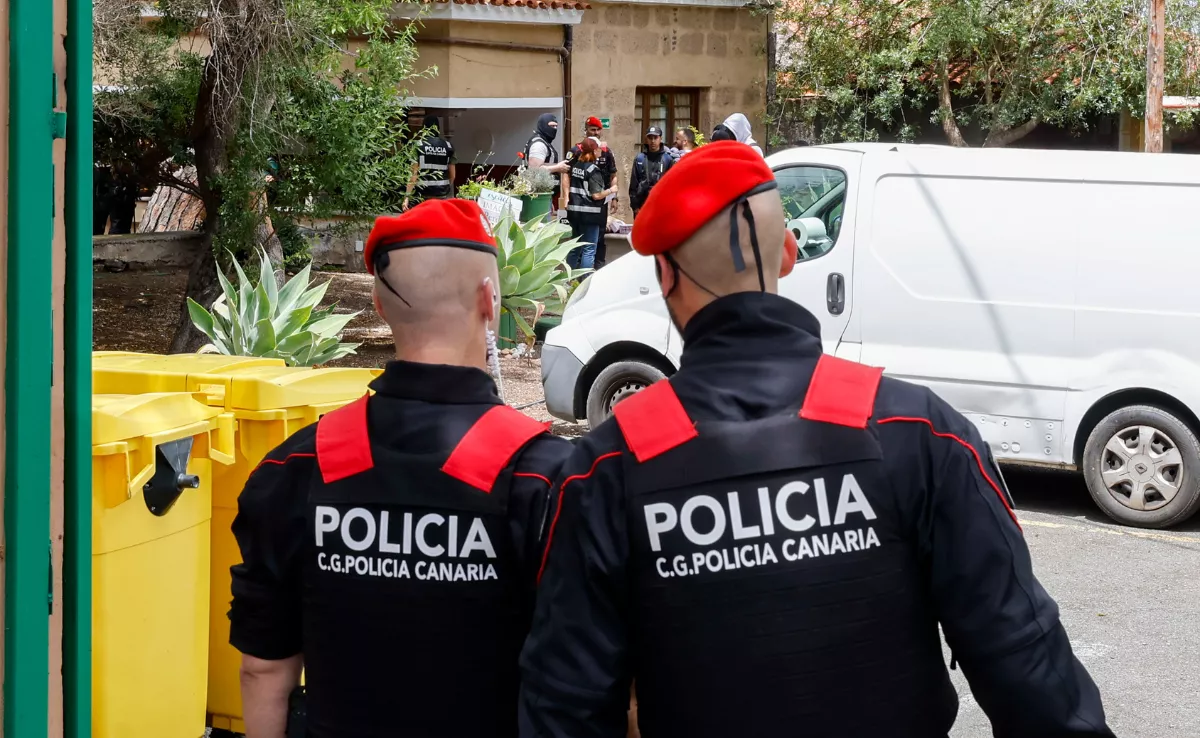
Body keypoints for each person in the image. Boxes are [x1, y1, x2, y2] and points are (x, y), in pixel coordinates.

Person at [519, 142, 1113, 738]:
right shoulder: (918, 430)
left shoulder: (608, 466)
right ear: (789, 253)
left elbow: (566, 705)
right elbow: (1027, 665)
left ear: (665, 274)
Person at [229, 199, 573, 738]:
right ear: (490, 299)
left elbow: (263, 666)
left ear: (379, 305)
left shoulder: (296, 467)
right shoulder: (546, 478)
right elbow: (582, 680)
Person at [562, 118, 619, 267]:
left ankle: (570, 280)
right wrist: (611, 191)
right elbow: (565, 174)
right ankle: (584, 281)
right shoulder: (577, 154)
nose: (595, 132)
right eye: (592, 129)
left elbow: (613, 175)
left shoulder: (604, 153)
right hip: (592, 208)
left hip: (582, 208)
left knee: (578, 245)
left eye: (597, 129)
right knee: (589, 248)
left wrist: (614, 198)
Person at [402, 115, 456, 210]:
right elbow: (453, 175)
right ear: (438, 129)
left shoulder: (418, 145)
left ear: (424, 128)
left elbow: (413, 175)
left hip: (422, 195)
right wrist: (445, 188)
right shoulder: (449, 146)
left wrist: (407, 197)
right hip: (442, 195)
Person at [628, 126, 675, 217]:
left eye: (655, 137)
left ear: (660, 139)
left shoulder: (667, 159)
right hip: (642, 205)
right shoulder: (640, 158)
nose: (653, 141)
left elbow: (672, 185)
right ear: (647, 139)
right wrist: (635, 207)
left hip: (661, 205)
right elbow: (633, 185)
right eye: (650, 138)